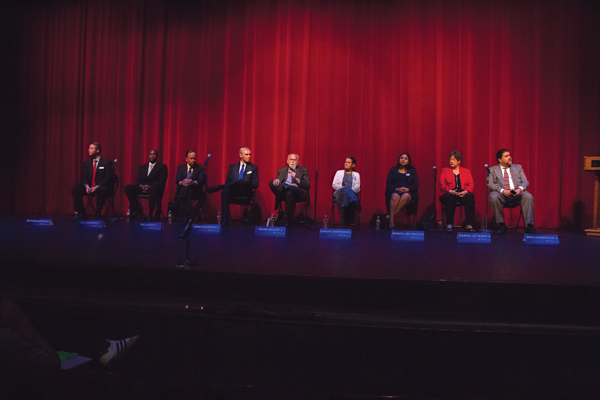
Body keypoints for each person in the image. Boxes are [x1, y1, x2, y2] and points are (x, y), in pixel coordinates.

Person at [0, 300, 138, 371]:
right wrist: (19, 320)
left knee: (29, 318)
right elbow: (52, 364)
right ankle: (101, 349)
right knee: (25, 320)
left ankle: (101, 348)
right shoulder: (6, 338)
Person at [487, 149, 536, 234]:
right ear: (500, 159)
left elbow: (525, 182)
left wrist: (520, 189)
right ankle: (501, 225)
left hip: (517, 193)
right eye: (506, 156)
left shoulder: (518, 167)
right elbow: (490, 184)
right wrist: (502, 191)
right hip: (502, 194)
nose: (510, 157)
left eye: (510, 155)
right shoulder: (492, 170)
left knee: (528, 196)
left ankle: (529, 226)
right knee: (493, 196)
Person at [71, 142, 114, 220]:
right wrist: (86, 185)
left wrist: (97, 186)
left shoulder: (106, 162)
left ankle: (98, 214)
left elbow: (108, 177)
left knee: (103, 189)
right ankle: (81, 213)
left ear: (97, 150)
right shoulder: (87, 163)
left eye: (91, 148)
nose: (88, 150)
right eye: (89, 148)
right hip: (89, 186)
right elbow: (84, 177)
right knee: (75, 189)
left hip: (100, 187)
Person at [123, 149, 168, 221]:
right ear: (148, 156)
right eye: (151, 154)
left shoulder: (162, 167)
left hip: (154, 188)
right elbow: (138, 180)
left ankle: (150, 214)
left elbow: (161, 181)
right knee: (128, 187)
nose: (152, 156)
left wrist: (150, 186)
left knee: (154, 190)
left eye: (154, 154)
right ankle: (136, 208)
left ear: (157, 156)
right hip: (142, 187)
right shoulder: (142, 167)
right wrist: (142, 185)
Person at [219, 147, 259, 227]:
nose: (249, 156)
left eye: (249, 154)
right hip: (234, 192)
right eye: (246, 154)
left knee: (246, 180)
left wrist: (244, 182)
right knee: (225, 191)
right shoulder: (232, 167)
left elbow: (255, 184)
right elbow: (228, 182)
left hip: (246, 192)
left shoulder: (253, 168)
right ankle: (225, 219)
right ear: (241, 155)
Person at [439, 150, 475, 233]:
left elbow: (471, 184)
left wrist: (466, 191)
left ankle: (469, 224)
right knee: (450, 197)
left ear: (459, 161)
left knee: (470, 197)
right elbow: (442, 184)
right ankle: (449, 224)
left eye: (454, 159)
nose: (451, 161)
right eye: (450, 159)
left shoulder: (466, 171)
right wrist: (450, 190)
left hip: (462, 193)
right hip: (448, 193)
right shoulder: (444, 170)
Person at [269, 154, 310, 224]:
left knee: (291, 191)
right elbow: (278, 179)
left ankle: (288, 218)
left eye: (295, 160)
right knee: (272, 183)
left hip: (298, 192)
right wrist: (277, 180)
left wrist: (296, 179)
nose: (293, 161)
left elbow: (307, 185)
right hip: (284, 192)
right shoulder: (281, 170)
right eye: (291, 160)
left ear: (298, 162)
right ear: (287, 161)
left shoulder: (303, 170)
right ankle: (288, 219)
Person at [385, 153, 419, 230]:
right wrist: (395, 189)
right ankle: (391, 222)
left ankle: (390, 217)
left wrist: (408, 189)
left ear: (408, 161)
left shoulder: (412, 171)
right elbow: (388, 183)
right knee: (395, 196)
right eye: (401, 158)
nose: (403, 159)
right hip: (395, 190)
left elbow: (416, 185)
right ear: (399, 160)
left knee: (405, 196)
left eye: (405, 158)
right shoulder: (393, 170)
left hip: (408, 192)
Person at [170, 150, 205, 219]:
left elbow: (201, 181)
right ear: (186, 159)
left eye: (194, 158)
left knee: (188, 189)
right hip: (185, 190)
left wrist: (193, 182)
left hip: (195, 191)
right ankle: (187, 216)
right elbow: (177, 180)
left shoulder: (200, 168)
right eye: (191, 158)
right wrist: (182, 182)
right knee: (187, 190)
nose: (193, 160)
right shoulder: (180, 167)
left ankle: (177, 202)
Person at [332, 157, 361, 223]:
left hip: (351, 194)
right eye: (345, 162)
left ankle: (345, 218)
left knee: (347, 192)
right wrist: (344, 189)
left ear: (353, 165)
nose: (346, 164)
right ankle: (354, 203)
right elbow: (334, 185)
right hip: (340, 194)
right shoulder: (339, 172)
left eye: (348, 162)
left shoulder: (356, 175)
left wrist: (349, 190)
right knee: (345, 190)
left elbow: (357, 187)